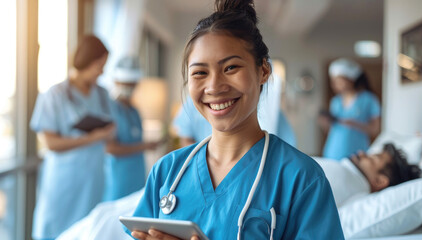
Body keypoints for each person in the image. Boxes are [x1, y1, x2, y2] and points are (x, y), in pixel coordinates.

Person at [126, 1, 344, 239]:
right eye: (200, 72)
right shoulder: (167, 172)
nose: (214, 86)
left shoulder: (302, 179)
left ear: (263, 71)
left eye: (230, 68)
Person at [30, 35, 116, 239]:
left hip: (92, 181)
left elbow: (111, 131)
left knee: (88, 231)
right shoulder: (54, 95)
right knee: (55, 232)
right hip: (62, 182)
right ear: (86, 61)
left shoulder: (103, 95)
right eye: (99, 65)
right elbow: (51, 143)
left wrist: (106, 133)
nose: (102, 72)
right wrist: (94, 137)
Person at [103, 56, 163, 201]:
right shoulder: (110, 109)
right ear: (116, 81)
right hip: (117, 180)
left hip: (136, 177)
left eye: (132, 84)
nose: (129, 88)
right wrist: (144, 146)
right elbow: (110, 148)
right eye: (125, 84)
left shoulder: (134, 111)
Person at [316, 143, 422, 207]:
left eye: (372, 158)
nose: (361, 153)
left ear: (380, 181)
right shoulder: (345, 172)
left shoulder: (355, 193)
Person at [319, 58, 381, 160]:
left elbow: (375, 129)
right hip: (333, 151)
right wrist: (325, 123)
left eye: (339, 81)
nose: (335, 85)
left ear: (351, 80)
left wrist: (354, 124)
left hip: (356, 153)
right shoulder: (336, 101)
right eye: (333, 81)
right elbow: (330, 129)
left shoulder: (368, 99)